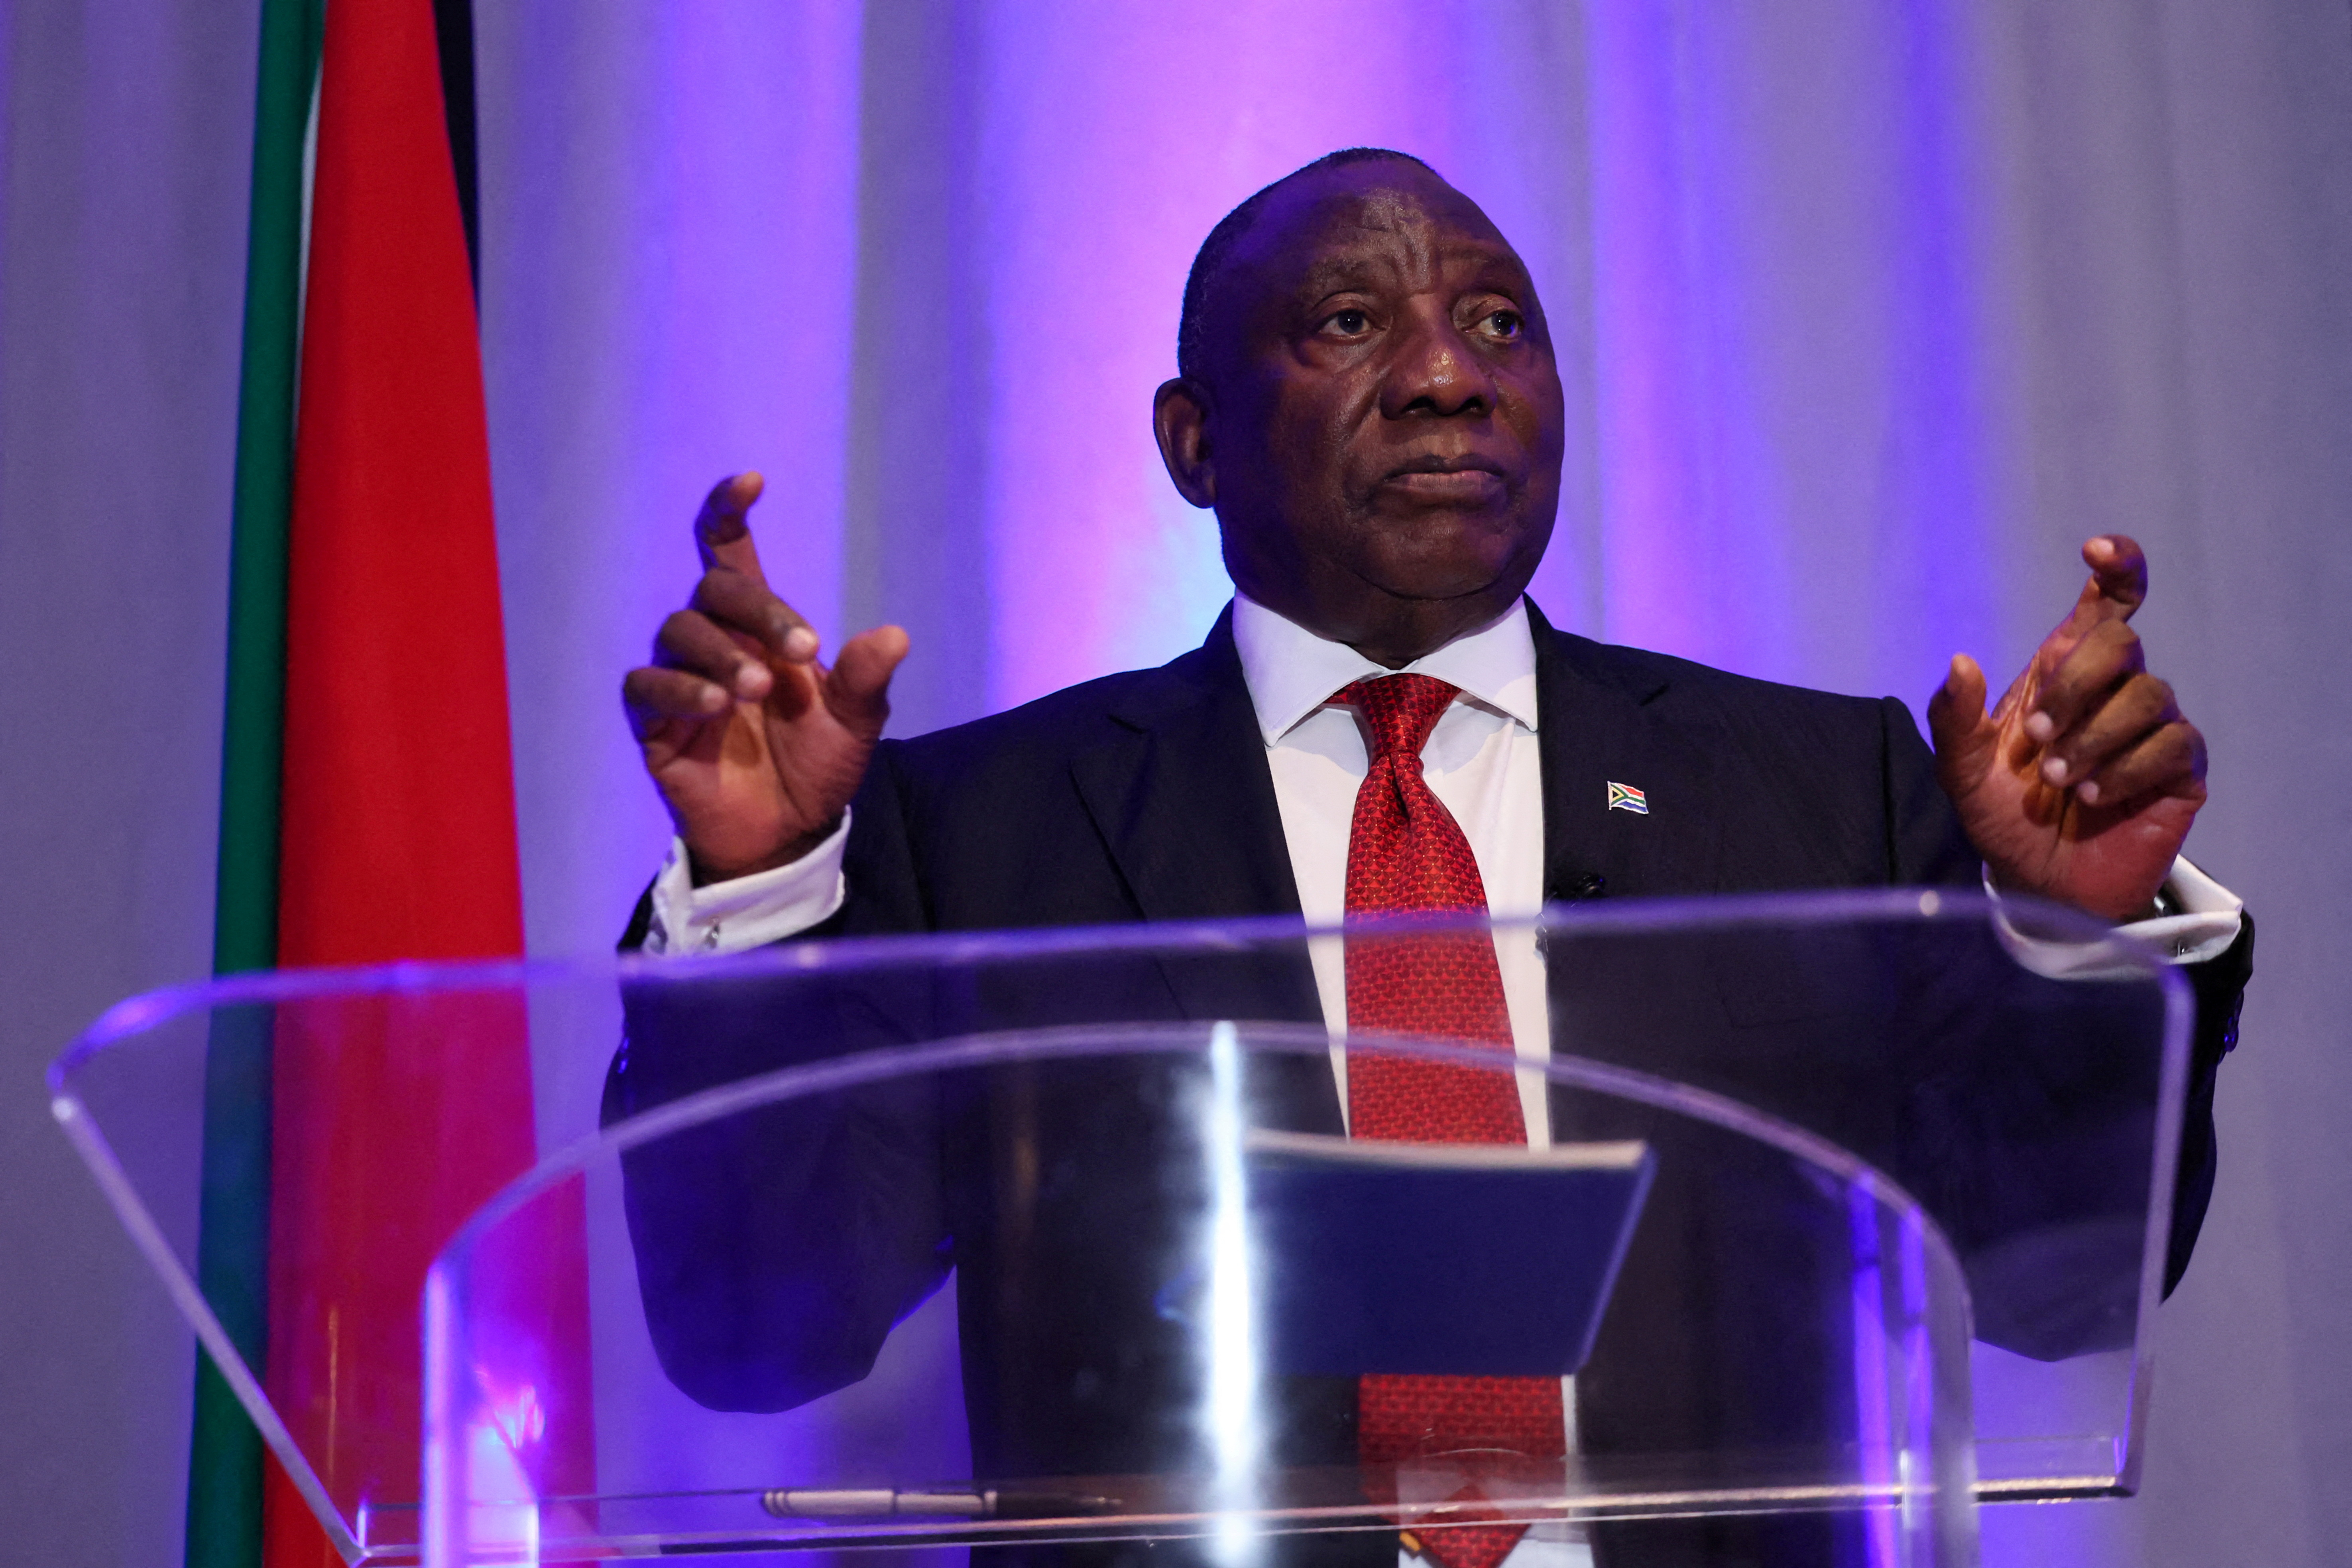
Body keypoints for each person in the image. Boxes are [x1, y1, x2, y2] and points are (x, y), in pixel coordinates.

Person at [607, 150, 2252, 1568]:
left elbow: (2057, 1285)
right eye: (1347, 323)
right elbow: (765, 1330)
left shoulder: (1819, 791)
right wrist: (765, 892)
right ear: (1192, 442)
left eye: (1495, 325)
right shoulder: (979, 829)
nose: (1446, 377)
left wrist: (2064, 945)